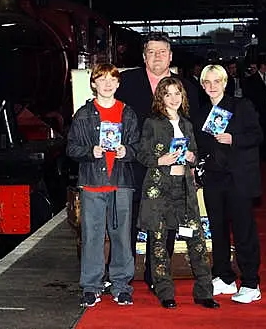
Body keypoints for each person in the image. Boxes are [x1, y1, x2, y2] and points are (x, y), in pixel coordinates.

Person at [115, 31, 200, 289]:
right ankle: (122, 276)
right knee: (128, 222)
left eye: (162, 52)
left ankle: (156, 276)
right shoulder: (126, 82)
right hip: (133, 165)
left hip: (172, 169)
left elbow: (194, 126)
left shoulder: (187, 87)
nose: (157, 57)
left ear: (171, 56)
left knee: (166, 223)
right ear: (143, 57)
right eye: (151, 52)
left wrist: (194, 160)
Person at [136, 77, 219, 309]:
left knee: (197, 240)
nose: (173, 98)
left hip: (184, 188)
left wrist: (192, 157)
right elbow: (141, 154)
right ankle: (165, 292)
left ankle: (204, 292)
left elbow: (193, 152)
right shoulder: (152, 123)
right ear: (160, 98)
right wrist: (160, 159)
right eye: (168, 94)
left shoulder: (187, 124)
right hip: (160, 188)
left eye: (177, 94)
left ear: (183, 97)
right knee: (159, 242)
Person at [66, 63, 140, 307]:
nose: (107, 84)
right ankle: (91, 286)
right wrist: (90, 151)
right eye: (102, 79)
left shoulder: (128, 113)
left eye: (112, 79)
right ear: (94, 83)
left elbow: (138, 147)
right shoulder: (83, 115)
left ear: (118, 84)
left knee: (122, 237)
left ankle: (121, 285)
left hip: (120, 184)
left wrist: (126, 151)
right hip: (92, 184)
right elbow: (71, 148)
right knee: (92, 237)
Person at [194, 64, 264, 304]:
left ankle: (251, 282)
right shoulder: (201, 113)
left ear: (225, 83)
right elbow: (201, 146)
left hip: (239, 179)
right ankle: (224, 277)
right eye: (207, 82)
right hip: (214, 179)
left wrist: (234, 139)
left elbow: (257, 135)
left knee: (244, 231)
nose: (212, 87)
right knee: (218, 230)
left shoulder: (241, 106)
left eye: (217, 81)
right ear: (203, 86)